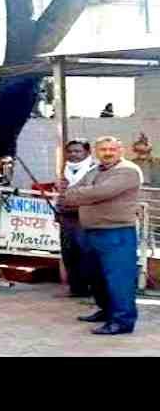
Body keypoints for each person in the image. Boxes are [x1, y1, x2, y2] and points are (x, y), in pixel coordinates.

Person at [58, 136, 143, 335]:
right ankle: (106, 311)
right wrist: (79, 193)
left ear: (120, 150)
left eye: (112, 149)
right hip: (92, 231)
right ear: (96, 152)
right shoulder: (94, 170)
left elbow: (100, 192)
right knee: (96, 276)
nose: (107, 153)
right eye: (103, 149)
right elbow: (72, 191)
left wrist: (79, 194)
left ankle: (122, 321)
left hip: (116, 232)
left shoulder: (127, 171)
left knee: (118, 278)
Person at [57, 139, 97, 298]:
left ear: (87, 152)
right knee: (69, 252)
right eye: (70, 151)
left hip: (85, 215)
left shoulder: (95, 169)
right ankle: (77, 288)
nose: (73, 155)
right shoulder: (65, 168)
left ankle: (92, 288)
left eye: (78, 151)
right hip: (66, 216)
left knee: (86, 252)